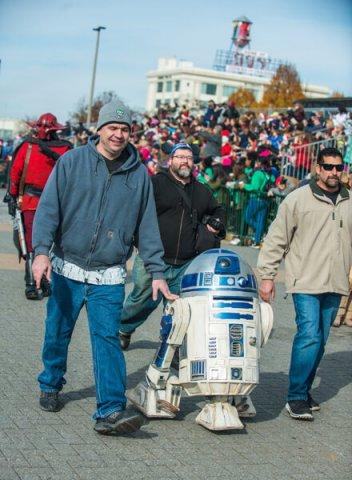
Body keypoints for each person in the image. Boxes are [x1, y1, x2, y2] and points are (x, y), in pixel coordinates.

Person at [32, 100, 177, 435]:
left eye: (125, 129)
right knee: (58, 333)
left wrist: (157, 271)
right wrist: (41, 253)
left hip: (108, 275)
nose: (119, 134)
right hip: (67, 268)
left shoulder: (138, 175)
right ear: (99, 129)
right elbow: (49, 209)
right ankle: (51, 383)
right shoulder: (72, 162)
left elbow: (147, 226)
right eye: (113, 127)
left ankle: (110, 410)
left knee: (107, 340)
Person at [257, 147, 352, 421]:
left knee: (320, 341)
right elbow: (276, 238)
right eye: (328, 166)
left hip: (334, 283)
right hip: (305, 281)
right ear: (317, 167)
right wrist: (267, 276)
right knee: (309, 336)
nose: (334, 172)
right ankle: (296, 397)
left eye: (338, 167)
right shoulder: (298, 199)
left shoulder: (348, 201)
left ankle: (305, 390)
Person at [119, 143, 226, 349]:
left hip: (186, 262)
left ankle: (170, 346)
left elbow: (218, 210)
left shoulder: (201, 190)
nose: (185, 161)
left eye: (188, 157)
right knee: (142, 300)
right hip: (154, 258)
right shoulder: (156, 183)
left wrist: (217, 223)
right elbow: (136, 210)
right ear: (171, 161)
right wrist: (134, 241)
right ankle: (124, 327)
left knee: (177, 307)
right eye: (180, 157)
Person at [6, 113, 72, 299]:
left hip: (42, 202)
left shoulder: (33, 146)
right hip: (42, 203)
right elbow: (16, 173)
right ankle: (36, 281)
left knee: (35, 244)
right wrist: (12, 195)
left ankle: (35, 282)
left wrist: (12, 195)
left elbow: (15, 174)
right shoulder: (62, 148)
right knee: (40, 244)